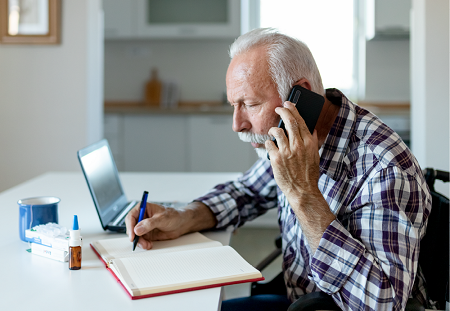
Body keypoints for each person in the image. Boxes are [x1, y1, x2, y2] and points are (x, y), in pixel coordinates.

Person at [125, 28, 432, 310]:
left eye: (250, 104)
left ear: (300, 95)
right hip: (298, 296)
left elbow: (383, 304)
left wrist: (304, 194)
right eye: (235, 105)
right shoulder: (292, 137)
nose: (237, 124)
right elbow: (246, 192)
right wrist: (183, 217)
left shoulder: (384, 168)